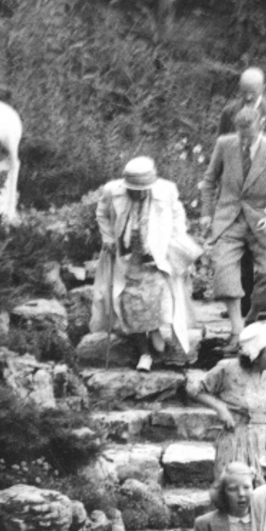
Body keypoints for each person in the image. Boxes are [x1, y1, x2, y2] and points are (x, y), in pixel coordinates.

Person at [90, 156, 201, 371]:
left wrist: (175, 242)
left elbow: (178, 216)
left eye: (144, 190)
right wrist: (108, 238)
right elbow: (101, 213)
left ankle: (155, 329)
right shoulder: (112, 191)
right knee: (130, 303)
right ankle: (144, 353)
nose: (140, 194)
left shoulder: (167, 191)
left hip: (156, 258)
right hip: (127, 259)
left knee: (157, 298)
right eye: (135, 190)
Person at [200, 106, 266, 345]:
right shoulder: (224, 144)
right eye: (241, 136)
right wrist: (207, 214)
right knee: (224, 270)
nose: (244, 141)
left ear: (260, 127)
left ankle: (253, 313)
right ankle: (236, 328)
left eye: (249, 137)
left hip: (261, 221)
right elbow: (209, 182)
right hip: (230, 219)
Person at [186, 322, 266, 483]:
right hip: (235, 444)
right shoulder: (228, 368)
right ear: (255, 357)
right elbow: (193, 389)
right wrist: (219, 407)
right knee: (234, 492)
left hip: (264, 444)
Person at [218, 66, 266, 184]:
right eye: (244, 91)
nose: (248, 97)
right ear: (239, 87)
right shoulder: (228, 113)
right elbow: (219, 153)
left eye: (253, 92)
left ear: (263, 88)